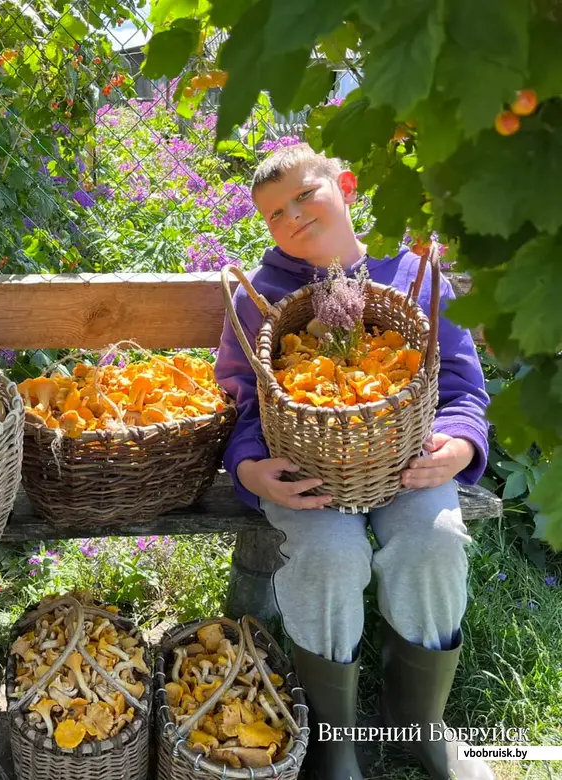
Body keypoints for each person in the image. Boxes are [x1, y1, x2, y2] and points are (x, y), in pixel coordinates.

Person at [215, 143, 494, 780]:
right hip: (305, 474)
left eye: (304, 195)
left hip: (409, 464)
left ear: (343, 184)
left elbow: (461, 383)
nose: (292, 217)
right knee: (330, 553)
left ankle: (420, 718)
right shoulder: (262, 299)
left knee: (436, 539)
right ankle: (334, 736)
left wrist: (458, 446)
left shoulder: (410, 275)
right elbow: (238, 399)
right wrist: (251, 467)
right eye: (274, 214)